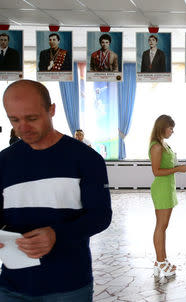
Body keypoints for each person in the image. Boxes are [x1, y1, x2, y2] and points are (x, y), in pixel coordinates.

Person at [0, 80, 112, 301]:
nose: (23, 127)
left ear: (51, 110)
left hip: (68, 285)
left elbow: (101, 216)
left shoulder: (86, 159)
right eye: (14, 119)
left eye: (31, 118)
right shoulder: (3, 161)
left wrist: (56, 234)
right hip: (12, 286)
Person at [148, 115, 186, 280]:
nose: (172, 131)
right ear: (162, 127)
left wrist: (179, 167)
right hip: (161, 188)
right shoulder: (157, 146)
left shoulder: (164, 144)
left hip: (168, 187)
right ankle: (159, 260)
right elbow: (156, 171)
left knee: (164, 226)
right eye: (170, 128)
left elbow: (168, 165)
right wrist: (178, 170)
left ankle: (162, 259)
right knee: (160, 226)